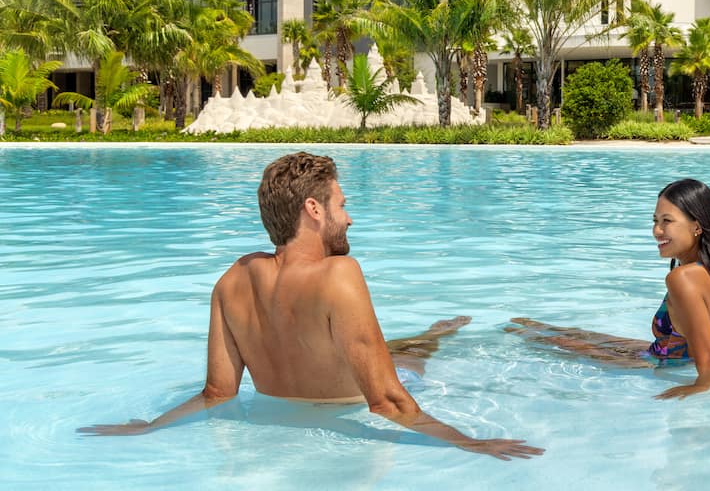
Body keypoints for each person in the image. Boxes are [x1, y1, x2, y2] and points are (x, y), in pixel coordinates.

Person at [78, 152, 542, 461]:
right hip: (349, 451)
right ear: (314, 210)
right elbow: (386, 402)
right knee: (412, 361)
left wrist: (149, 427)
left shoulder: (230, 282)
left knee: (404, 353)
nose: (349, 216)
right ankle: (439, 335)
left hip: (268, 451)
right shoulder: (339, 274)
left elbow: (218, 394)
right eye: (342, 204)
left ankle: (434, 335)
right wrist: (471, 443)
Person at [507, 178, 710, 399]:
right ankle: (529, 325)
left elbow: (708, 360)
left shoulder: (682, 279)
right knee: (581, 334)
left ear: (697, 226)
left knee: (549, 341)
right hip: (658, 352)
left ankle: (516, 329)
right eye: (655, 220)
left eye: (667, 221)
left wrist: (698, 387)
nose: (656, 231)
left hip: (651, 361)